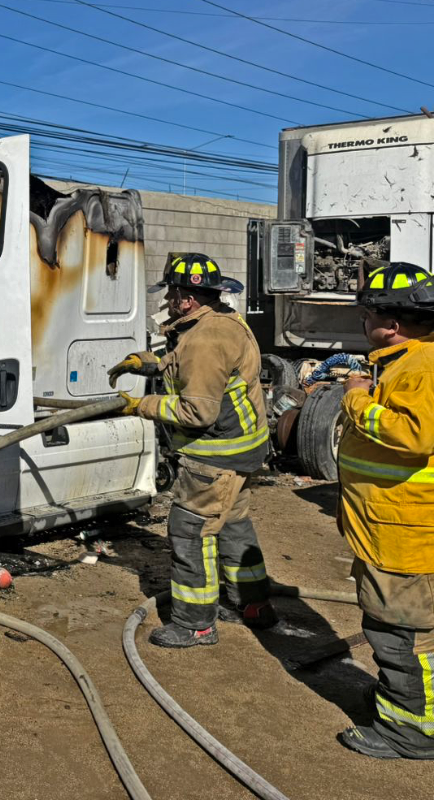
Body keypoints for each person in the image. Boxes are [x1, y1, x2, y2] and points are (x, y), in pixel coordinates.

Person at [108, 253, 275, 648]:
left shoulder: (205, 339)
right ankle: (253, 604)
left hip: (214, 457)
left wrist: (139, 406)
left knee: (190, 531)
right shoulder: (221, 322)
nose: (167, 300)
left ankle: (195, 623)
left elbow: (196, 411)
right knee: (233, 524)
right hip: (242, 451)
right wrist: (148, 363)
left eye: (171, 293)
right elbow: (187, 366)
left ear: (186, 298)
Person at [334, 261, 434, 760]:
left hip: (402, 533)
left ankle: (408, 731)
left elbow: (413, 436)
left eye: (365, 314)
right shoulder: (409, 361)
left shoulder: (421, 367)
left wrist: (355, 401)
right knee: (405, 629)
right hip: (395, 526)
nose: (362, 324)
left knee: (394, 632)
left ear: (391, 323)